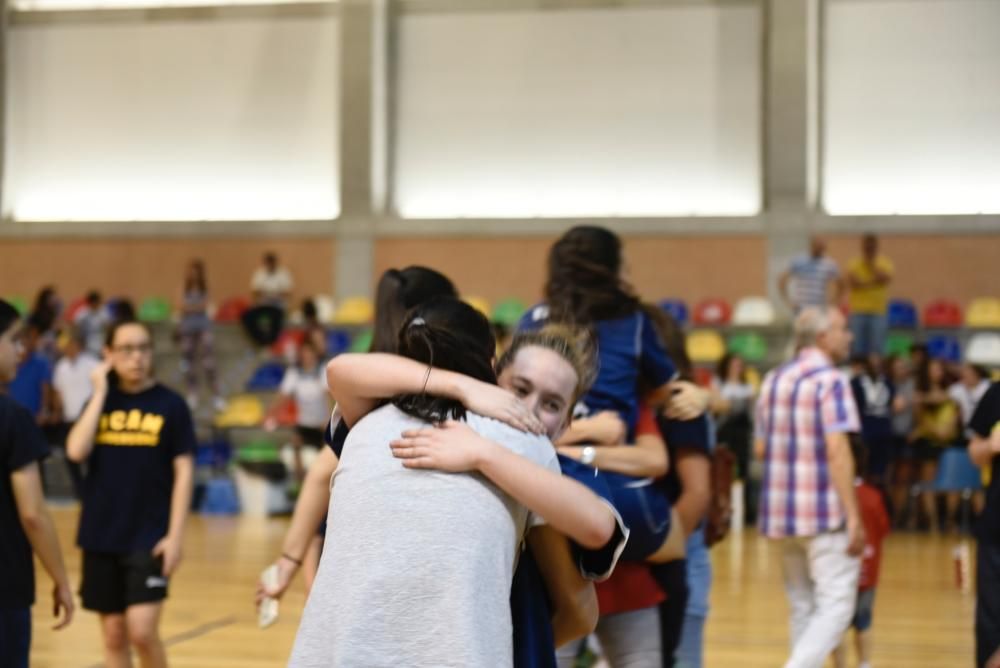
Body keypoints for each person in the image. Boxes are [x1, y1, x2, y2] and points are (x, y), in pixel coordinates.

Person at [288, 298, 616, 666]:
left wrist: (482, 454)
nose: (530, 409)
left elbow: (589, 570)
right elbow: (341, 372)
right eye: (520, 390)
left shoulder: (533, 453)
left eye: (552, 404)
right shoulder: (522, 442)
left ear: (569, 422)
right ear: (492, 378)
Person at [258, 266, 461, 597]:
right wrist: (290, 560)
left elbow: (321, 475)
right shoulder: (373, 384)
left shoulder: (381, 379)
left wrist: (289, 560)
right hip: (380, 556)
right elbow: (323, 473)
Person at [67, 320, 195, 668]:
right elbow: (76, 450)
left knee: (142, 631)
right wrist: (99, 393)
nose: (136, 357)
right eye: (125, 349)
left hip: (149, 535)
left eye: (143, 348)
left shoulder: (171, 405)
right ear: (107, 354)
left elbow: (184, 473)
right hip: (101, 534)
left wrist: (175, 536)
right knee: (113, 635)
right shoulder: (99, 403)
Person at [755, 306, 864, 668]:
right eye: (843, 329)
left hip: (782, 515)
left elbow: (759, 447)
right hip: (823, 514)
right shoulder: (832, 381)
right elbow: (838, 451)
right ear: (822, 337)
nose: (848, 336)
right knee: (837, 605)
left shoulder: (772, 380)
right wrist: (854, 517)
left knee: (803, 605)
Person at [0, 299, 75, 666]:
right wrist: (60, 578)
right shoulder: (12, 419)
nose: (20, 351)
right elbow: (33, 514)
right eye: (13, 340)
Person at [832, 438, 890, 668]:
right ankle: (865, 663)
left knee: (836, 622)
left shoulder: (834, 496)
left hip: (838, 570)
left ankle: (840, 665)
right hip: (869, 571)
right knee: (864, 621)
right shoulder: (873, 496)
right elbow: (884, 529)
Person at [968, 381, 1000, 668]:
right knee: (990, 619)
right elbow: (974, 452)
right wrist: (990, 446)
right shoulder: (996, 394)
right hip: (996, 527)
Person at [270, 339, 329, 486]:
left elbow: (329, 395)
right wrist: (271, 413)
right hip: (304, 423)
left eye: (310, 353)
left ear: (315, 355)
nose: (307, 357)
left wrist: (329, 419)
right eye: (304, 353)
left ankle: (326, 485)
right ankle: (301, 483)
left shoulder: (322, 370)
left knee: (327, 455)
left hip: (321, 424)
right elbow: (283, 396)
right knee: (295, 444)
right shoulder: (294, 373)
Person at [911, 357, 959, 531]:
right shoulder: (919, 392)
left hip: (948, 441)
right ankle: (933, 522)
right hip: (928, 441)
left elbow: (953, 409)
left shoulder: (952, 391)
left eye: (939, 369)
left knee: (952, 483)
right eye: (933, 368)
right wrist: (935, 431)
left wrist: (945, 431)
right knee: (928, 483)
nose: (936, 372)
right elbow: (920, 418)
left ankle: (950, 520)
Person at [51, 327, 100, 497]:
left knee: (93, 457)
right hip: (69, 419)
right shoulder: (61, 366)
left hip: (89, 419)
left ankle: (94, 489)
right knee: (70, 458)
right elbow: (58, 392)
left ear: (77, 344)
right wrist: (58, 411)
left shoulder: (92, 364)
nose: (66, 348)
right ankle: (80, 492)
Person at [177, 259, 223, 412]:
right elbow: (182, 306)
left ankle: (217, 395)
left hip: (203, 327)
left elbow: (206, 306)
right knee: (188, 363)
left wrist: (193, 308)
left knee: (209, 363)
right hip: (188, 328)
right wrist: (194, 308)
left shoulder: (205, 289)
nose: (194, 274)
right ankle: (192, 394)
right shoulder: (185, 288)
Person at [849, 354, 895, 488]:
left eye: (878, 363)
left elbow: (891, 401)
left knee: (880, 467)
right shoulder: (857, 382)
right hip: (865, 428)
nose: (875, 366)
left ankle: (876, 493)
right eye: (872, 363)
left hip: (883, 430)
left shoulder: (886, 382)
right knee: (863, 462)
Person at [846, 234, 893, 356]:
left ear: (876, 246)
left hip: (878, 311)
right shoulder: (854, 263)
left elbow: (884, 279)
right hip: (858, 311)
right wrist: (874, 282)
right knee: (857, 347)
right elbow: (853, 283)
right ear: (862, 246)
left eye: (871, 245)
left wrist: (871, 264)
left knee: (877, 346)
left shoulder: (884, 262)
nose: (869, 248)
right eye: (866, 245)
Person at [886, 354, 916, 526]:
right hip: (889, 436)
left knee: (903, 479)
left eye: (904, 366)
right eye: (897, 366)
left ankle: (898, 516)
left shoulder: (913, 385)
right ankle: (888, 512)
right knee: (888, 476)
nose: (901, 370)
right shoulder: (885, 386)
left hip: (906, 436)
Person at [778, 236, 844, 313]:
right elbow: (782, 280)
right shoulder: (799, 261)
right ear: (811, 245)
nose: (819, 249)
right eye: (817, 246)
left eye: (821, 247)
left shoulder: (829, 264)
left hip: (819, 308)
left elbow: (841, 284)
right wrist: (788, 301)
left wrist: (833, 303)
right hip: (800, 308)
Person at [7, 322, 56, 426]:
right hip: (10, 419)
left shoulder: (41, 363)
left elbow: (45, 389)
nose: (23, 346)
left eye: (26, 341)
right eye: (20, 342)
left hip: (33, 420)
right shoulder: (8, 362)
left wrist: (44, 412)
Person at [243, 252, 294, 347]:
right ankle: (261, 340)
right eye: (268, 263)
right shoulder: (259, 273)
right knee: (248, 316)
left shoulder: (283, 273)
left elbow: (287, 292)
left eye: (272, 263)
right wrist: (267, 293)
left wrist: (274, 294)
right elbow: (254, 292)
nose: (270, 265)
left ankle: (271, 342)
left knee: (276, 319)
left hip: (277, 307)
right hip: (263, 305)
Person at [75, 290, 110, 358]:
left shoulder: (103, 312)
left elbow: (108, 327)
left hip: (101, 343)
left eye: (97, 303)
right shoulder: (83, 313)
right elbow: (76, 327)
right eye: (93, 303)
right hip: (87, 344)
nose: (95, 305)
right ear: (90, 303)